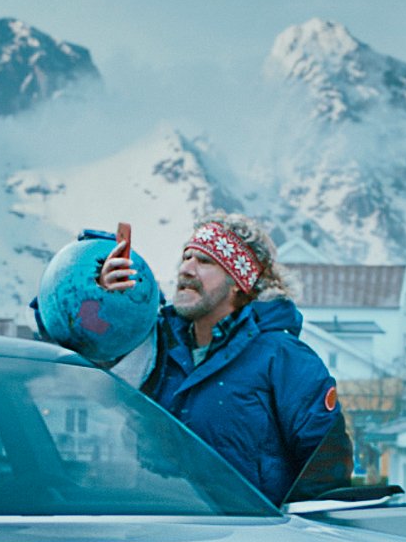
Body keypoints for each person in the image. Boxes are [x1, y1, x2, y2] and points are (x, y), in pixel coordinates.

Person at [81, 211, 354, 504]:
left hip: (248, 541)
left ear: (239, 283)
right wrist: (103, 299)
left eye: (205, 261)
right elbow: (89, 363)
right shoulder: (154, 349)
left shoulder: (283, 357)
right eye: (186, 257)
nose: (186, 269)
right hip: (159, 531)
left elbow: (325, 469)